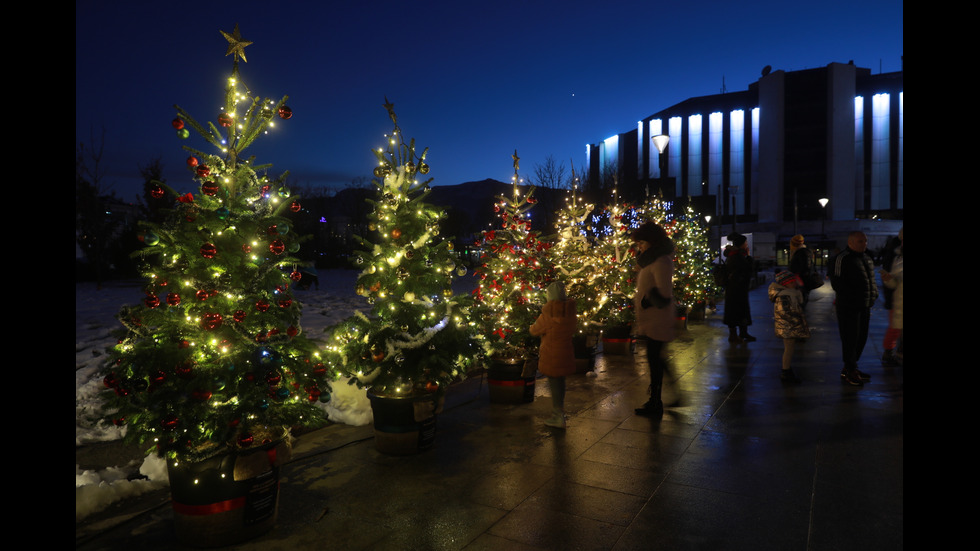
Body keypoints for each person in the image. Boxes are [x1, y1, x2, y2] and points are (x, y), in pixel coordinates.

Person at [631, 221, 677, 418]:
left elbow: (664, 293)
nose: (639, 246)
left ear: (652, 241)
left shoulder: (661, 262)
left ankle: (655, 402)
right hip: (652, 320)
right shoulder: (653, 260)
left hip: (658, 320)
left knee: (655, 359)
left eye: (642, 242)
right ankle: (669, 395)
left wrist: (646, 300)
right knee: (657, 359)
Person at [830, 231, 878, 385]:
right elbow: (837, 283)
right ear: (850, 242)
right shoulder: (842, 258)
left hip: (864, 305)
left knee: (861, 338)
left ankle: (851, 367)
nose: (864, 244)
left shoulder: (866, 258)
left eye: (865, 241)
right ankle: (850, 369)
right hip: (848, 306)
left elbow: (871, 280)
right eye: (860, 241)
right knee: (850, 338)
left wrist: (873, 295)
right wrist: (851, 298)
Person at [530, 281, 577, 429]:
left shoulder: (549, 313)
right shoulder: (570, 311)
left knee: (554, 384)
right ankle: (560, 411)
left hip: (551, 356)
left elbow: (535, 330)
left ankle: (558, 416)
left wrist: (532, 326)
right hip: (565, 353)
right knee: (560, 383)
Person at [769, 270, 809, 383]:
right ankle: (785, 371)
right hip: (788, 327)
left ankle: (787, 370)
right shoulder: (784, 296)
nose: (794, 284)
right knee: (788, 350)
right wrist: (795, 320)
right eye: (792, 282)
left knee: (789, 349)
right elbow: (785, 313)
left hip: (789, 326)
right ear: (785, 283)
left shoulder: (790, 293)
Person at [723, 232, 756, 343]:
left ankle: (742, 332)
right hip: (736, 288)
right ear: (741, 244)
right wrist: (749, 258)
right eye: (745, 242)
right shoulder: (737, 256)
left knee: (739, 310)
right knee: (736, 311)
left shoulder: (735, 254)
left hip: (736, 288)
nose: (747, 244)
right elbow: (746, 269)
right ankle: (734, 335)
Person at [880, 228, 903, 366]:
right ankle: (890, 352)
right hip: (899, 302)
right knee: (895, 329)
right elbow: (893, 283)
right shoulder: (897, 258)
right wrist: (888, 279)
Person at [788, 234, 818, 306]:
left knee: (801, 301)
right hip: (801, 282)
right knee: (800, 301)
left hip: (801, 282)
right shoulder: (802, 252)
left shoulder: (802, 252)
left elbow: (805, 268)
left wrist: (799, 278)